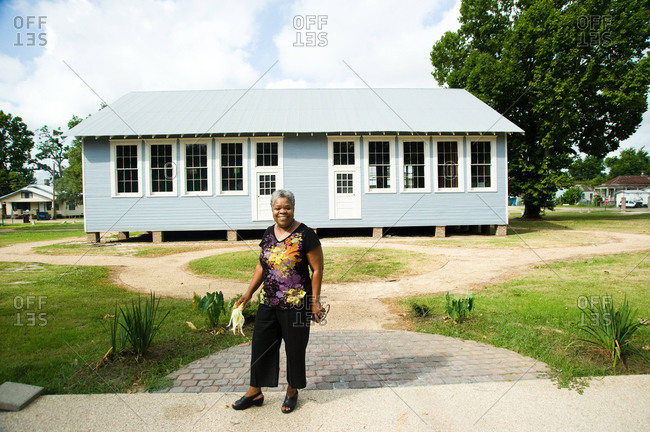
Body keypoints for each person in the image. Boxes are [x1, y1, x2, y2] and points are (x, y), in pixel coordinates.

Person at [232, 189, 325, 414]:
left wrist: (314, 301)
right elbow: (261, 266)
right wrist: (248, 293)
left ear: (293, 208)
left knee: (294, 350)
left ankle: (292, 391)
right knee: (261, 347)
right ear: (272, 210)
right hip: (268, 302)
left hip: (297, 304)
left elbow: (317, 268)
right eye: (277, 208)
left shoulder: (306, 235)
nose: (282, 211)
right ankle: (255, 391)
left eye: (287, 207)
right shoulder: (268, 233)